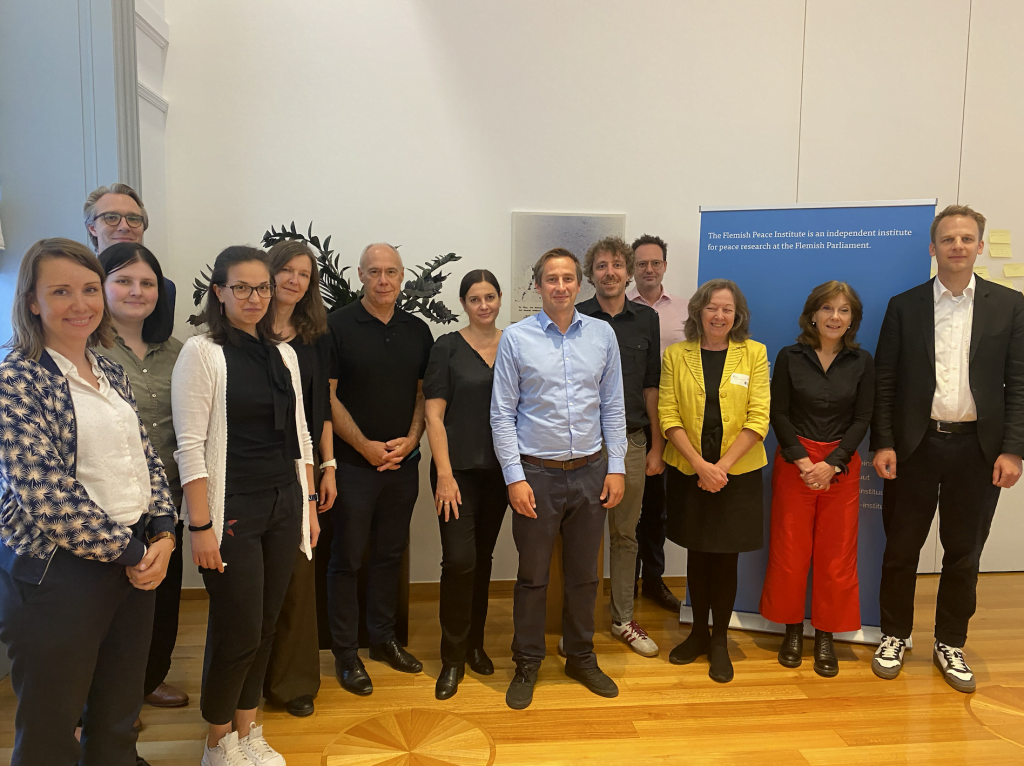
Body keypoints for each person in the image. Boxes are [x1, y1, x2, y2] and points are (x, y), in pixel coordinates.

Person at [0, 238, 177, 766]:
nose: (80, 304)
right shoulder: (16, 380)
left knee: (117, 716)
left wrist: (164, 531)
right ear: (32, 302)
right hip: (59, 573)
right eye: (60, 291)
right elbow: (44, 492)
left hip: (133, 561)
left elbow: (144, 456)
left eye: (89, 289)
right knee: (51, 730)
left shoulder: (109, 370)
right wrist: (133, 552)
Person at [870, 204, 1024, 693]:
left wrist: (1014, 449)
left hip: (979, 451)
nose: (957, 246)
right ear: (933, 248)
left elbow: (1019, 383)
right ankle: (895, 635)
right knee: (901, 549)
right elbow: (885, 380)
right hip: (915, 447)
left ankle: (949, 642)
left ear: (980, 246)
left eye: (966, 238)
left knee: (964, 553)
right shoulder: (905, 305)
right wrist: (884, 442)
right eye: (948, 239)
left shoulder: (1010, 305)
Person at [172, 246, 317, 766]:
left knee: (265, 626)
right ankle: (217, 742)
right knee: (237, 630)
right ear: (219, 292)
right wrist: (200, 526)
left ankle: (247, 729)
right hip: (231, 508)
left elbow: (301, 435)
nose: (254, 297)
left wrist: (309, 505)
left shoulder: (284, 354)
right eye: (241, 287)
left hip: (284, 503)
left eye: (262, 288)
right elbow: (190, 446)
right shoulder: (203, 352)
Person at [491, 247, 627, 710]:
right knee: (532, 577)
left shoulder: (602, 335)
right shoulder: (516, 338)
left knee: (585, 576)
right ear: (538, 286)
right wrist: (514, 478)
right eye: (552, 279)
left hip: (590, 472)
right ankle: (527, 662)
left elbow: (613, 406)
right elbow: (502, 414)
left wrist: (616, 467)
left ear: (580, 283)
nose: (561, 286)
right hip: (537, 475)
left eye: (568, 278)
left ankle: (581, 657)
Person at [326, 243, 434, 695]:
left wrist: (412, 439)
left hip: (402, 465)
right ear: (360, 275)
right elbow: (327, 397)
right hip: (354, 466)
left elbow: (424, 394)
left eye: (391, 272)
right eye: (374, 272)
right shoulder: (337, 326)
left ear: (402, 276)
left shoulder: (418, 330)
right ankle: (346, 653)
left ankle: (383, 639)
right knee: (347, 559)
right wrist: (365, 447)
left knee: (390, 554)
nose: (383, 280)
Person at [95, 243, 186, 766]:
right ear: (103, 287)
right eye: (124, 281)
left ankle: (148, 680)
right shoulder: (85, 350)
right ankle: (107, 703)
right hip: (105, 507)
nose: (137, 291)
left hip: (167, 499)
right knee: (109, 610)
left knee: (162, 599)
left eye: (147, 283)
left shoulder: (179, 352)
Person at [759, 281, 874, 677]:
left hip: (841, 467)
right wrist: (804, 462)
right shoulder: (789, 357)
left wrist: (833, 463)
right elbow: (778, 412)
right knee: (789, 552)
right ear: (812, 314)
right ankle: (792, 630)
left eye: (844, 310)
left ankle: (826, 634)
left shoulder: (862, 361)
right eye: (827, 308)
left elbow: (863, 418)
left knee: (836, 557)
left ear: (852, 319)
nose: (834, 317)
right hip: (796, 464)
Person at [660, 279, 769, 683]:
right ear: (698, 312)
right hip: (690, 471)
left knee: (725, 559)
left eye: (727, 309)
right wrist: (700, 465)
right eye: (711, 308)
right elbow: (668, 414)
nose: (719, 315)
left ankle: (720, 639)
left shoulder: (754, 353)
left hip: (736, 474)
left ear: (737, 315)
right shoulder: (676, 355)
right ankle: (698, 634)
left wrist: (720, 466)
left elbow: (759, 417)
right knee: (698, 553)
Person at [423, 269, 509, 700]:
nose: (483, 305)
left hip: (500, 473)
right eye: (475, 299)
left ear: (499, 299)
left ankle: (475, 645)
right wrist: (444, 474)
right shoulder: (447, 348)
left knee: (482, 559)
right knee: (458, 561)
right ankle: (452, 658)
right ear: (463, 304)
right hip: (455, 473)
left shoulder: (513, 344)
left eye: (489, 297)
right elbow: (433, 414)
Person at [576, 236, 662, 657]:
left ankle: (622, 620)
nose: (609, 273)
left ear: (628, 272)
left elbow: (651, 386)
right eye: (601, 266)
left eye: (616, 265)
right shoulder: (575, 317)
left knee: (625, 535)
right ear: (590, 275)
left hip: (631, 442)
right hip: (584, 446)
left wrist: (657, 447)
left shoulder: (646, 319)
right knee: (581, 537)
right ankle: (577, 624)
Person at [262, 240, 337, 718]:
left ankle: (292, 683)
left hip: (302, 466)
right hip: (251, 465)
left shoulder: (314, 337)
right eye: (286, 270)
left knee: (297, 574)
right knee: (254, 584)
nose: (294, 280)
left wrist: (329, 468)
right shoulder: (244, 331)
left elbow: (319, 409)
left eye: (304, 274)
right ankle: (249, 679)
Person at [626, 234, 686, 612]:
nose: (649, 269)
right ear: (632, 268)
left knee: (656, 507)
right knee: (626, 508)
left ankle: (653, 580)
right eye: (642, 263)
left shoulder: (685, 311)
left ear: (665, 266)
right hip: (630, 417)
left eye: (655, 262)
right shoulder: (619, 308)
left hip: (671, 419)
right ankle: (625, 581)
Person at [83, 183, 176, 309]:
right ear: (92, 228)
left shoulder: (165, 288)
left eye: (133, 219)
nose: (124, 227)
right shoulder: (75, 283)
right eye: (111, 217)